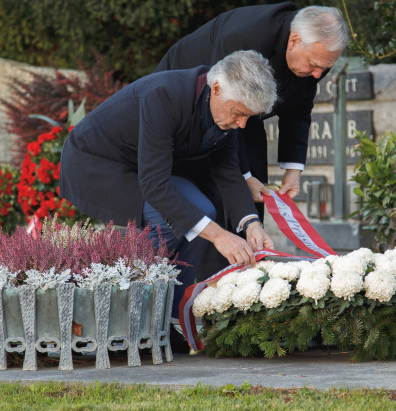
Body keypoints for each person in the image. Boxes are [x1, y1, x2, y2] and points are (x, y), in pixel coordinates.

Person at [59, 51, 278, 341]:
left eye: (248, 117)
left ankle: (170, 319)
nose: (242, 125)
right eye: (239, 113)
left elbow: (228, 170)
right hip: (95, 164)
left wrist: (251, 224)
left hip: (143, 167)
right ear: (216, 89)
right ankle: (132, 317)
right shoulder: (165, 96)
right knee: (190, 219)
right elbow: (154, 184)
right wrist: (219, 236)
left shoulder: (224, 109)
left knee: (202, 212)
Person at [154, 3, 350, 217]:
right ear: (294, 41)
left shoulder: (315, 60)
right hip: (192, 103)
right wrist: (244, 177)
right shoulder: (244, 38)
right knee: (216, 188)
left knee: (255, 189)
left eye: (325, 68)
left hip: (244, 112)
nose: (317, 74)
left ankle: (251, 244)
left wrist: (292, 169)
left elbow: (298, 107)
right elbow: (225, 108)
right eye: (314, 65)